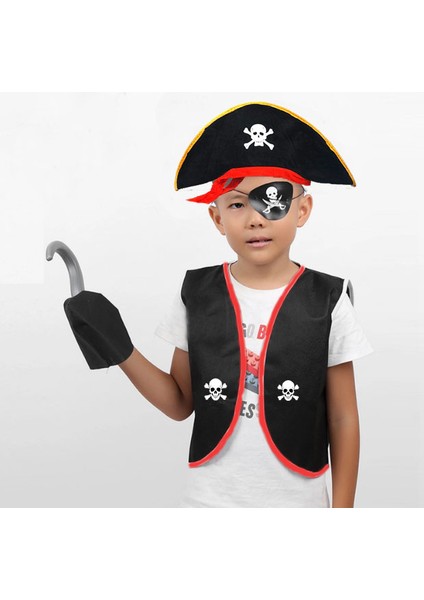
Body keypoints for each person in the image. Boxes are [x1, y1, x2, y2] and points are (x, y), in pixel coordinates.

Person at [64, 101, 373, 508]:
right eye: (238, 203)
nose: (255, 219)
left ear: (302, 210)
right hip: (208, 504)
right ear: (217, 218)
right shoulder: (197, 293)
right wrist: (119, 348)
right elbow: (180, 403)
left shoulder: (329, 300)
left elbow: (342, 418)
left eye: (273, 199)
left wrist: (343, 515)